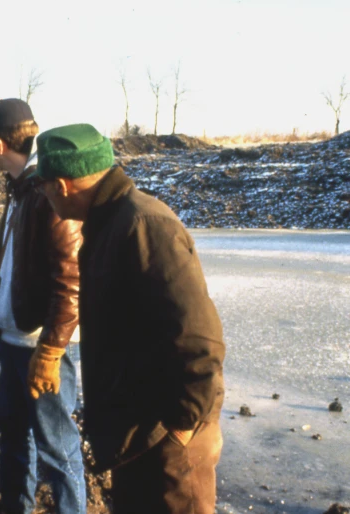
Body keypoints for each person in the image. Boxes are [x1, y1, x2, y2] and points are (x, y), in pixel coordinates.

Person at [35, 123, 226, 514]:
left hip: (167, 441)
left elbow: (198, 340)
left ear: (61, 185)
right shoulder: (110, 225)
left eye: (43, 187)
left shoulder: (144, 226)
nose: (43, 196)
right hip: (140, 438)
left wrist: (182, 428)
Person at [0, 98, 86, 514]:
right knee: (16, 435)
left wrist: (52, 351)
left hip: (43, 345)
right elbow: (14, 263)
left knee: (57, 447)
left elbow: (71, 281)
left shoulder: (49, 188)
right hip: (17, 340)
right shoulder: (22, 186)